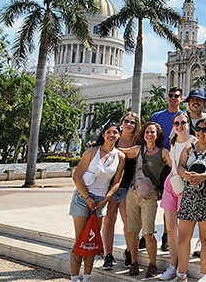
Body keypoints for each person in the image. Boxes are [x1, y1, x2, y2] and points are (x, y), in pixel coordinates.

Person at [69, 122, 126, 282]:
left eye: (115, 132)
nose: (112, 135)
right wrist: (87, 198)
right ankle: (74, 278)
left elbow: (117, 181)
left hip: (101, 201)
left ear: (119, 135)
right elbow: (77, 176)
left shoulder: (120, 157)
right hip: (82, 198)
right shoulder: (92, 152)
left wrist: (107, 198)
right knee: (81, 239)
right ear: (103, 134)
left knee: (91, 241)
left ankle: (87, 277)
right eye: (108, 132)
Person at [120, 122, 171, 277]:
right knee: (132, 231)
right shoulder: (138, 150)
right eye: (147, 132)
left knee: (148, 233)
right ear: (143, 135)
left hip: (149, 196)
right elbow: (120, 151)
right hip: (132, 193)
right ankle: (134, 262)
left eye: (152, 132)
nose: (149, 135)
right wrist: (100, 146)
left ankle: (152, 264)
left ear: (157, 135)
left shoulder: (163, 152)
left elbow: (175, 167)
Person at [174, 118, 206, 282]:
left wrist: (203, 177)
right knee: (184, 237)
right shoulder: (189, 147)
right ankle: (181, 273)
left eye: (205, 129)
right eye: (198, 129)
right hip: (190, 194)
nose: (201, 132)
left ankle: (203, 274)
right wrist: (186, 175)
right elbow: (180, 166)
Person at [159, 113, 196, 281]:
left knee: (183, 233)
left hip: (185, 187)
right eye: (177, 123)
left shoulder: (194, 142)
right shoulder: (173, 140)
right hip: (171, 184)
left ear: (188, 124)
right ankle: (173, 265)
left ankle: (182, 268)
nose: (180, 125)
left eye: (183, 122)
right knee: (171, 229)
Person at [101, 112, 140, 270]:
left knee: (128, 223)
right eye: (127, 121)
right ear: (121, 122)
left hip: (128, 188)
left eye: (133, 122)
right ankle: (108, 255)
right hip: (110, 187)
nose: (129, 124)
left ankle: (129, 252)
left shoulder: (139, 142)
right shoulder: (113, 138)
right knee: (109, 222)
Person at [151, 87, 185, 251]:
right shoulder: (157, 116)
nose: (173, 98)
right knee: (151, 199)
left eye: (176, 96)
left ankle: (166, 235)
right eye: (171, 96)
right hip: (156, 163)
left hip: (174, 165)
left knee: (170, 202)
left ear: (181, 98)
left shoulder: (184, 117)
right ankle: (148, 233)